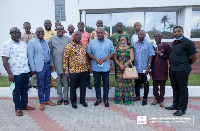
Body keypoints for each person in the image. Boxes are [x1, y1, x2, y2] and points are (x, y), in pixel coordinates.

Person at [1, 27, 35, 116]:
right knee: (16, 91)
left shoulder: (23, 44)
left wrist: (30, 70)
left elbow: (27, 58)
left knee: (25, 90)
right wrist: (9, 73)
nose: (16, 34)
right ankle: (18, 108)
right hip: (15, 73)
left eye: (18, 32)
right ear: (10, 33)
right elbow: (5, 60)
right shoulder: (6, 44)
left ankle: (24, 105)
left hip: (25, 71)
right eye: (14, 32)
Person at [165, 26, 197, 116]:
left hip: (182, 69)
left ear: (182, 32)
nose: (176, 33)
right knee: (175, 88)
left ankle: (182, 109)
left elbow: (194, 57)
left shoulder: (188, 42)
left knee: (183, 89)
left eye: (178, 31)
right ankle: (175, 105)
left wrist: (186, 64)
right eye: (174, 32)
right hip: (173, 69)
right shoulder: (174, 42)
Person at [28, 27, 56, 111]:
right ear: (35, 33)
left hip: (47, 66)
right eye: (38, 32)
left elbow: (49, 54)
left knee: (48, 84)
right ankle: (41, 102)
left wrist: (51, 65)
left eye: (42, 31)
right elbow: (30, 56)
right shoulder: (32, 42)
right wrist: (32, 68)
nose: (40, 33)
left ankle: (47, 100)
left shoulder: (46, 42)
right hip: (39, 67)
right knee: (41, 85)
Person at [88, 27, 115, 107]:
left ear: (104, 33)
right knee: (97, 83)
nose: (100, 34)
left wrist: (106, 58)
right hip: (95, 67)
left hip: (105, 67)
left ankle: (106, 99)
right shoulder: (92, 42)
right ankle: (98, 99)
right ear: (96, 34)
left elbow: (112, 52)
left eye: (101, 33)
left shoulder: (109, 42)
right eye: (98, 33)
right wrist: (95, 58)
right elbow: (89, 52)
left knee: (106, 83)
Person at [63, 31, 89, 109]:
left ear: (81, 37)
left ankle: (82, 100)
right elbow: (65, 59)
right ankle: (73, 101)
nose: (78, 36)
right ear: (73, 36)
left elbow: (85, 58)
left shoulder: (83, 46)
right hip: (73, 70)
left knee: (83, 86)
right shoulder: (69, 46)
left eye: (79, 35)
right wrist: (66, 71)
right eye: (76, 35)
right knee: (73, 87)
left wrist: (87, 67)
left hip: (83, 70)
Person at [49, 25, 71, 105]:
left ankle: (65, 98)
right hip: (56, 65)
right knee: (58, 82)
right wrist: (52, 65)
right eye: (58, 29)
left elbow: (70, 53)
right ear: (56, 30)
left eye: (61, 29)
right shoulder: (52, 39)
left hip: (66, 66)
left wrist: (69, 66)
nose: (60, 31)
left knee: (66, 83)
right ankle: (59, 98)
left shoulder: (68, 39)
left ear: (64, 30)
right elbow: (50, 53)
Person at [132, 30, 155, 106]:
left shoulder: (148, 44)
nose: (140, 35)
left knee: (145, 83)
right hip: (136, 67)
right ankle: (137, 96)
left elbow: (151, 56)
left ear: (145, 35)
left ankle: (145, 98)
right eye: (139, 34)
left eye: (142, 34)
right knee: (137, 83)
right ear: (137, 35)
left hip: (145, 68)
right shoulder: (134, 44)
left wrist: (149, 66)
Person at [151, 32, 171, 107]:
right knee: (155, 84)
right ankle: (156, 98)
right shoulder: (153, 46)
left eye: (158, 36)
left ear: (161, 37)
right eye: (155, 36)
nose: (157, 37)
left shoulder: (166, 46)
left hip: (163, 68)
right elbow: (151, 57)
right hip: (155, 68)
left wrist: (161, 54)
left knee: (162, 85)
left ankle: (161, 100)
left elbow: (169, 56)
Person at [113, 36, 134, 105]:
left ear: (126, 40)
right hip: (119, 69)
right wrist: (120, 65)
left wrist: (125, 65)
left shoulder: (130, 48)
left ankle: (127, 100)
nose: (123, 41)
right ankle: (119, 99)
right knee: (119, 83)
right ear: (119, 41)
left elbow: (132, 58)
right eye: (121, 40)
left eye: (124, 40)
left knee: (127, 83)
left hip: (127, 68)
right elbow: (115, 58)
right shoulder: (116, 48)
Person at [71, 21, 92, 89]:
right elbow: (72, 43)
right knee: (77, 69)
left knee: (87, 69)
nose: (81, 25)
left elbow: (89, 43)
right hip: (76, 54)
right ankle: (77, 84)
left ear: (84, 25)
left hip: (85, 54)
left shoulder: (88, 34)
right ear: (77, 25)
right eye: (79, 24)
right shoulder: (73, 34)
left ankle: (87, 83)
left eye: (82, 24)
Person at [21, 22, 37, 89]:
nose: (27, 28)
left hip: (33, 56)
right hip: (24, 56)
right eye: (26, 26)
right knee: (27, 70)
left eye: (28, 26)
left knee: (34, 70)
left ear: (30, 27)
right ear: (23, 27)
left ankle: (36, 83)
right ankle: (28, 83)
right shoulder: (21, 36)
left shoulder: (34, 35)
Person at [43, 20, 57, 89]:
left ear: (51, 24)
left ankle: (55, 83)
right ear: (44, 24)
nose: (48, 24)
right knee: (47, 70)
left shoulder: (55, 32)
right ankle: (48, 83)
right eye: (46, 23)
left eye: (49, 23)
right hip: (44, 54)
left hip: (54, 53)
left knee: (54, 68)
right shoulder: (42, 32)